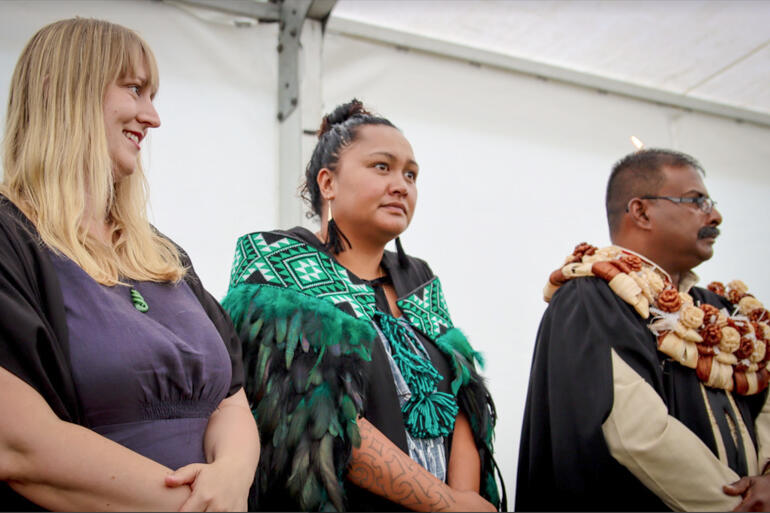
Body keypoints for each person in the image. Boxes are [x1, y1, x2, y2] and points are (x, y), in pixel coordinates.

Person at [0, 18, 259, 511]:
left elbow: (231, 396)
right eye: (136, 90)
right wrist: (202, 506)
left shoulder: (162, 252)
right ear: (65, 90)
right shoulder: (10, 240)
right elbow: (18, 445)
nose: (153, 117)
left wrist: (231, 474)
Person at [221, 99, 505, 512]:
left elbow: (465, 400)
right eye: (381, 167)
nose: (402, 185)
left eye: (411, 174)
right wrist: (443, 503)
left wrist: (465, 500)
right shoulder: (276, 265)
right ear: (328, 183)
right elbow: (317, 418)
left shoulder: (418, 280)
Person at [516, 148, 770, 511]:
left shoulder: (719, 309)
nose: (715, 215)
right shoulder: (593, 295)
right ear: (641, 211)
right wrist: (742, 505)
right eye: (696, 201)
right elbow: (638, 434)